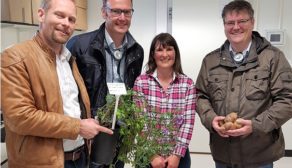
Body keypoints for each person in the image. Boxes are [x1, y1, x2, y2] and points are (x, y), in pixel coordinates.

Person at [0, 0, 113, 167]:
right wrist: (78, 127)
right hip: (44, 163)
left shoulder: (69, 59)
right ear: (41, 14)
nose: (66, 23)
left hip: (80, 158)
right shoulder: (15, 57)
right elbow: (20, 117)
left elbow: (73, 106)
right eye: (59, 15)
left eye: (71, 19)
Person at [195, 0, 292, 168]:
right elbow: (199, 96)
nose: (236, 27)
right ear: (224, 25)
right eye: (230, 22)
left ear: (253, 22)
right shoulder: (210, 61)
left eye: (242, 21)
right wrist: (211, 119)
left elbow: (287, 100)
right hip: (222, 153)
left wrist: (256, 125)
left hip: (259, 154)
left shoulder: (273, 58)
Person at [66, 0, 144, 167]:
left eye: (127, 12)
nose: (122, 17)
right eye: (116, 11)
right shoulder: (80, 45)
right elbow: (66, 91)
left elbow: (132, 90)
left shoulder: (137, 51)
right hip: (88, 132)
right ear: (104, 12)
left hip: (120, 131)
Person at [133, 33, 196, 168]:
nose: (164, 54)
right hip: (147, 154)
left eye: (169, 49)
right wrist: (152, 155)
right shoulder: (141, 82)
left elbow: (188, 123)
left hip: (178, 156)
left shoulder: (187, 84)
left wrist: (177, 155)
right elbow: (140, 121)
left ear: (175, 53)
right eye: (159, 50)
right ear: (153, 55)